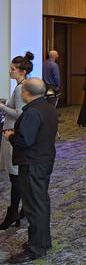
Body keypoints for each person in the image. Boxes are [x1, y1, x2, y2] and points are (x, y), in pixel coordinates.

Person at [4, 78, 58, 263]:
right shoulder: (48, 106)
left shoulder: (32, 112)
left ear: (25, 93)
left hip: (33, 163)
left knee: (34, 206)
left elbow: (24, 141)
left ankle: (36, 249)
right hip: (43, 160)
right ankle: (42, 241)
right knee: (40, 203)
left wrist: (10, 136)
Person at [0, 52, 34, 230]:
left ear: (21, 72)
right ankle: (21, 210)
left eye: (12, 69)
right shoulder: (21, 86)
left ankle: (14, 212)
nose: (9, 71)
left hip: (14, 133)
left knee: (16, 177)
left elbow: (20, 113)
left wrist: (2, 107)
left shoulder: (21, 88)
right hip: (14, 132)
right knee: (17, 177)